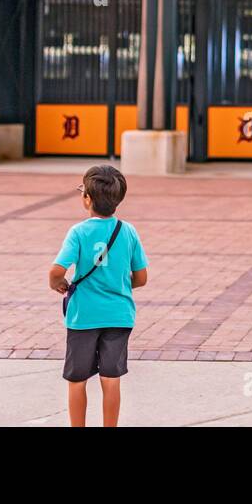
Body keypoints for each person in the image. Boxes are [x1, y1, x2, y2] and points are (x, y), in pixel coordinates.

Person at [48, 164, 148, 427]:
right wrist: (118, 287)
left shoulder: (78, 232)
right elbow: (141, 278)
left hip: (83, 317)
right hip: (119, 316)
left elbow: (56, 270)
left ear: (87, 199)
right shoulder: (128, 231)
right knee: (111, 379)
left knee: (77, 380)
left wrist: (58, 284)